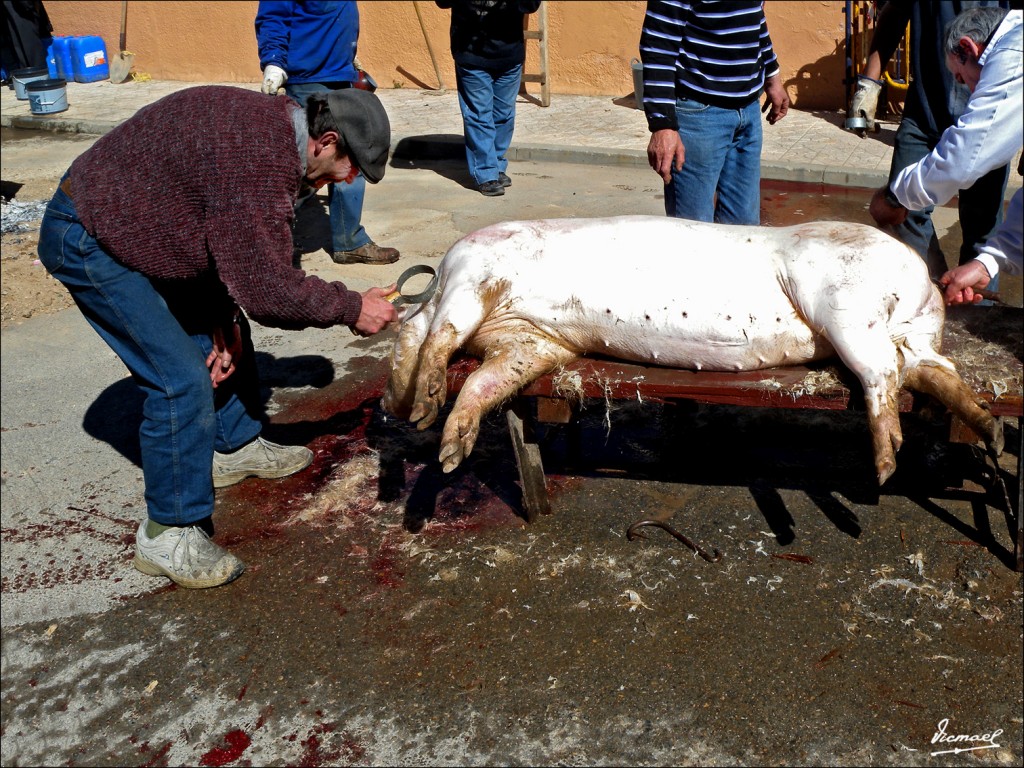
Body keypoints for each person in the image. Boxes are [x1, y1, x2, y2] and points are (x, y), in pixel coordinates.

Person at [36, 85, 399, 589]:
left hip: (149, 226)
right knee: (179, 380)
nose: (347, 180)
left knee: (228, 334)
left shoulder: (276, 138)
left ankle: (234, 445)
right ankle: (167, 533)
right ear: (326, 140)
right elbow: (269, 288)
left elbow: (230, 251)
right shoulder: (259, 158)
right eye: (351, 167)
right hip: (90, 235)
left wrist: (222, 312)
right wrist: (352, 307)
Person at [850, 0, 1013, 281]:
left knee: (983, 230)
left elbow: (960, 159)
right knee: (904, 213)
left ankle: (977, 311)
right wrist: (869, 83)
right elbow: (894, 14)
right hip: (925, 109)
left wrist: (893, 196)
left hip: (988, 114)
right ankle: (931, 288)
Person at [255, 0, 400, 265]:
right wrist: (273, 61)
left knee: (350, 156)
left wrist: (346, 55)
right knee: (305, 165)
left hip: (339, 74)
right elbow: (273, 15)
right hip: (308, 78)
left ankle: (348, 240)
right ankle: (269, 243)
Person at [639, 0, 790, 225]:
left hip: (747, 111)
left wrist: (772, 74)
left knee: (744, 232)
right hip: (699, 116)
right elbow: (658, 44)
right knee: (693, 233)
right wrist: (663, 125)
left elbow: (754, 17)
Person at [435, 0, 541, 197]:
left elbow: (531, 5)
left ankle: (496, 165)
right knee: (478, 114)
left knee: (504, 115)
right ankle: (486, 174)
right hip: (471, 57)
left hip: (509, 56)